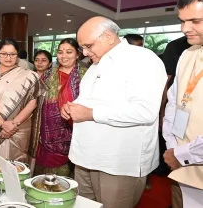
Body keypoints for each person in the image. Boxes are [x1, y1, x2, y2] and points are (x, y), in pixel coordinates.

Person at [61, 16, 167, 208]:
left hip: (117, 163)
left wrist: (90, 113)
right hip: (85, 156)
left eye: (88, 45)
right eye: (82, 47)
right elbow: (87, 100)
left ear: (108, 36)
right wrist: (71, 107)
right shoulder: (95, 65)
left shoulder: (142, 60)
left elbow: (145, 111)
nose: (84, 52)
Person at [163, 0, 203, 206]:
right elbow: (174, 102)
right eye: (182, 21)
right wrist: (172, 148)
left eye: (195, 21)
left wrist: (183, 153)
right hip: (180, 166)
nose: (185, 29)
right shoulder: (187, 54)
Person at [0, 39, 46, 163]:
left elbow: (32, 104)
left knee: (17, 166)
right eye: (4, 54)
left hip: (19, 128)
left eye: (12, 54)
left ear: (17, 55)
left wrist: (13, 124)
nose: (8, 58)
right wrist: (3, 124)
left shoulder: (30, 76)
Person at [34, 38, 87, 177]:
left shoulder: (85, 75)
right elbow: (37, 100)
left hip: (75, 129)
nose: (64, 56)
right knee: (43, 174)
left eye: (69, 52)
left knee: (67, 176)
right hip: (46, 131)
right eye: (60, 52)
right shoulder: (48, 74)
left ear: (78, 54)